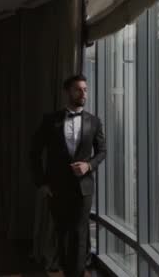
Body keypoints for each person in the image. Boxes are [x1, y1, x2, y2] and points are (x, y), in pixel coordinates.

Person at [30, 74, 106, 277]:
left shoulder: (94, 121)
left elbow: (102, 152)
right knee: (62, 232)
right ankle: (66, 271)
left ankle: (77, 273)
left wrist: (88, 166)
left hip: (84, 187)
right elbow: (34, 152)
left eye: (85, 89)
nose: (83, 93)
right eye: (78, 89)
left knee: (80, 233)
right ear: (67, 92)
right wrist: (42, 183)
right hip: (56, 188)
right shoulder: (50, 120)